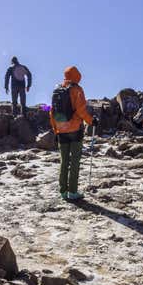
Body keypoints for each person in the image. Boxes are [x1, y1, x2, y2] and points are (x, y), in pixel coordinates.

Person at [49, 66, 97, 201]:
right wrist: (91, 121)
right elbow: (81, 110)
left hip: (61, 131)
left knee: (64, 162)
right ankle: (73, 192)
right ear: (77, 76)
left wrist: (56, 130)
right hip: (75, 130)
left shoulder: (57, 90)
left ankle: (63, 191)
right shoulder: (77, 90)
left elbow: (51, 112)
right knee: (74, 161)